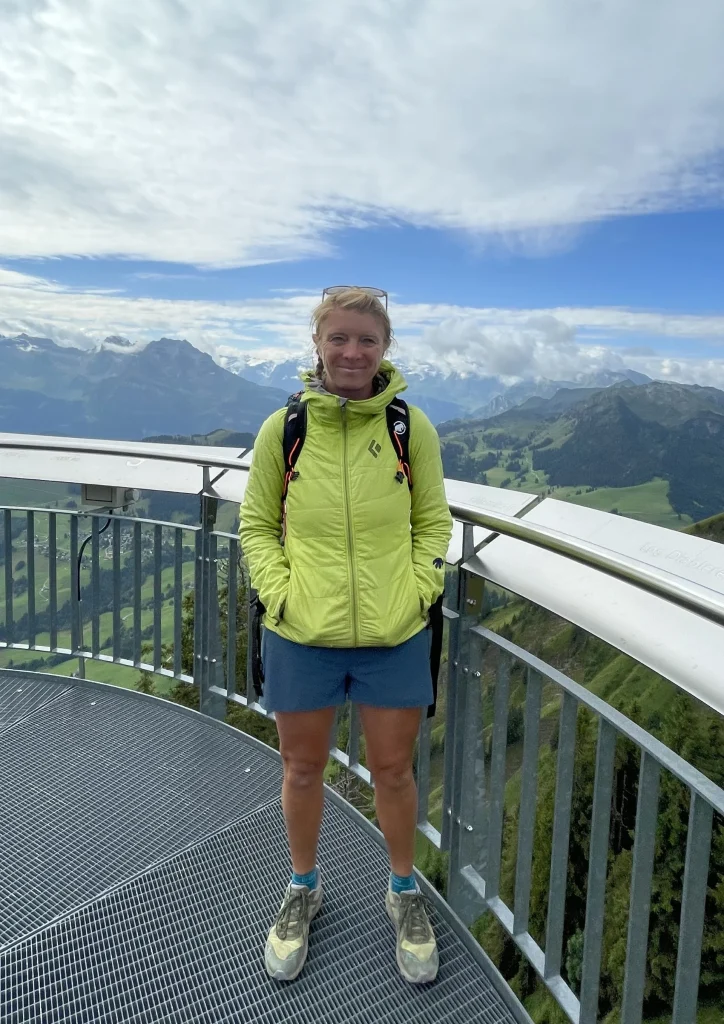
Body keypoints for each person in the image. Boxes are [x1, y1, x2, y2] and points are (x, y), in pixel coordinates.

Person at [239, 285, 453, 985]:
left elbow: (434, 523)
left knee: (393, 771)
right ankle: (303, 886)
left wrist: (419, 590)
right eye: (339, 338)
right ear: (318, 345)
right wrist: (281, 593)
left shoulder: (407, 427)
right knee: (301, 769)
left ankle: (402, 891)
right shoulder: (285, 429)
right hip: (301, 632)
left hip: (394, 633)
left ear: (385, 347)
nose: (352, 351)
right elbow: (254, 526)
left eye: (366, 339)